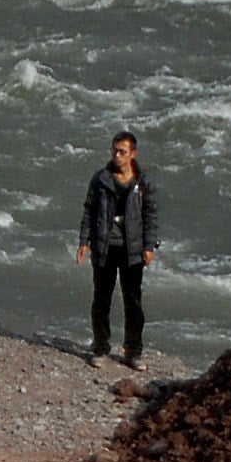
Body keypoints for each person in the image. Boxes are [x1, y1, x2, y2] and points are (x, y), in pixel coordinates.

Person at [75, 131, 157, 369]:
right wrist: (84, 242)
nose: (117, 155)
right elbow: (89, 211)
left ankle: (133, 351)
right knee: (101, 299)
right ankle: (100, 347)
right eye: (115, 150)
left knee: (133, 302)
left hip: (132, 249)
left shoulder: (143, 182)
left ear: (133, 154)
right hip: (104, 247)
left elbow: (150, 215)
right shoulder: (100, 179)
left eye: (122, 151)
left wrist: (149, 246)